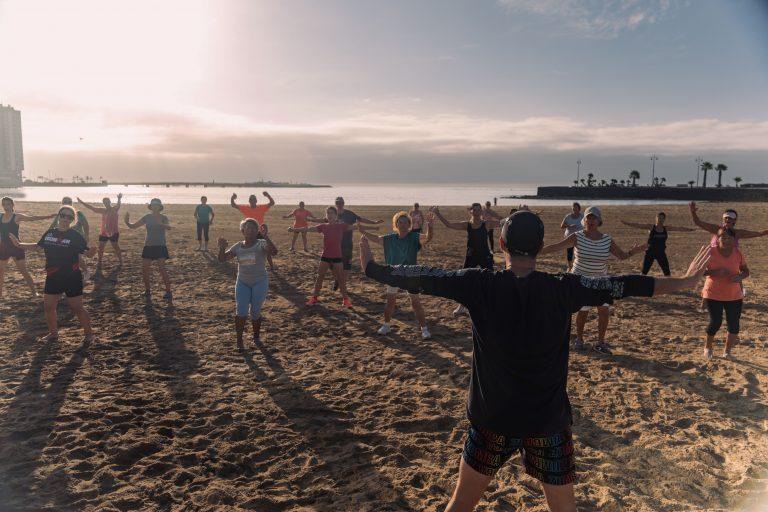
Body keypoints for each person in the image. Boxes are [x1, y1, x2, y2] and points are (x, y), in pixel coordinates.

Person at [359, 211, 709, 512]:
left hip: (492, 419)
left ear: (501, 246)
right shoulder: (564, 289)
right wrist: (686, 282)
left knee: (460, 505)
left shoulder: (478, 284)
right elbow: (624, 285)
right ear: (542, 248)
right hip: (548, 423)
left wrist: (373, 269)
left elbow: (425, 277)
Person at [540, 206, 646, 354]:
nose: (591, 220)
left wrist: (634, 251)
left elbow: (622, 256)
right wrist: (537, 251)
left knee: (604, 310)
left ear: (599, 221)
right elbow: (557, 246)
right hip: (580, 280)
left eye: (594, 218)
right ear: (584, 220)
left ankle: (601, 342)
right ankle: (579, 339)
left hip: (600, 281)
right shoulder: (577, 236)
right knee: (583, 311)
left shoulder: (607, 240)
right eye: (588, 217)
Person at [7, 205, 97, 342]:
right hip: (53, 276)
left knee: (77, 307)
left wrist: (92, 252)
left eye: (69, 217)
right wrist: (19, 244)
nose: (65, 219)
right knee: (48, 308)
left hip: (71, 277)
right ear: (58, 216)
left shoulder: (75, 236)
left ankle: (89, 334)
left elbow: (88, 253)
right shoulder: (50, 233)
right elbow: (37, 246)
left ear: (72, 220)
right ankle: (53, 334)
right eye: (63, 215)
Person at [359, 210, 434, 339]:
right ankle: (386, 325)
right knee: (390, 302)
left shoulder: (414, 237)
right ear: (396, 224)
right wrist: (363, 232)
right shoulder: (390, 238)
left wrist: (430, 227)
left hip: (411, 273)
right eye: (400, 222)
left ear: (409, 224)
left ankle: (424, 329)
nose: (403, 224)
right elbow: (376, 239)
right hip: (393, 273)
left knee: (415, 303)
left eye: (406, 222)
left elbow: (427, 237)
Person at [430, 203, 501, 316]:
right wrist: (437, 213)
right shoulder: (466, 225)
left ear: (481, 212)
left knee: (491, 280)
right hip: (471, 256)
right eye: (475, 209)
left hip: (485, 256)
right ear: (470, 211)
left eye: (479, 210)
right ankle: (461, 306)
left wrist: (517, 214)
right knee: (464, 280)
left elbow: (502, 222)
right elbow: (448, 225)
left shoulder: (486, 224)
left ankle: (493, 305)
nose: (477, 212)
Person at [217, 218, 278, 345]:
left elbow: (274, 252)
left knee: (255, 311)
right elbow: (222, 259)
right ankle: (239, 339)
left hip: (260, 282)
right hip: (243, 282)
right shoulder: (238, 246)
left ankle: (256, 336)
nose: (250, 230)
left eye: (253, 228)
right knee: (241, 311)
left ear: (257, 231)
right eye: (247, 228)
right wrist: (222, 248)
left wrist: (266, 237)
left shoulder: (261, 243)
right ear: (243, 231)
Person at [288, 206, 354, 308]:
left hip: (337, 257)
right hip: (325, 256)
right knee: (320, 277)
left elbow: (356, 227)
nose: (330, 215)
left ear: (336, 216)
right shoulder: (323, 226)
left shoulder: (341, 226)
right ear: (326, 216)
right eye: (328, 213)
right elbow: (308, 228)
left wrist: (374, 227)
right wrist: (293, 229)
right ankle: (314, 298)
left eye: (332, 213)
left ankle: (346, 300)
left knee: (341, 279)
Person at [702, 227, 749, 360]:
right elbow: (699, 271)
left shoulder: (737, 253)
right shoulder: (710, 252)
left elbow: (745, 270)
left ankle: (727, 352)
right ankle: (708, 347)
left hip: (733, 294)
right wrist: (715, 272)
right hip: (713, 293)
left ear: (734, 240)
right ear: (717, 239)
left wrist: (740, 277)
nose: (726, 240)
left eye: (729, 238)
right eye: (723, 237)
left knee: (734, 325)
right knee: (715, 321)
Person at [0, 197, 56, 298]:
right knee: (1, 271)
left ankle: (34, 292)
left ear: (13, 205)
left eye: (8, 204)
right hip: (3, 247)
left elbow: (32, 218)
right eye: (4, 204)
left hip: (16, 246)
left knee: (23, 271)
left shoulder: (17, 217)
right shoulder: (0, 216)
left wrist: (48, 216)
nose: (6, 206)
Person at [124, 198, 173, 300]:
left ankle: (168, 291)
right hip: (148, 246)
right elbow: (133, 226)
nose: (155, 207)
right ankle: (147, 291)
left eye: (157, 205)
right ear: (151, 207)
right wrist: (127, 221)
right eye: (153, 205)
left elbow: (169, 227)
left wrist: (161, 224)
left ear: (160, 207)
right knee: (145, 269)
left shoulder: (164, 217)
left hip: (160, 245)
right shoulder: (147, 217)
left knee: (162, 268)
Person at [333, 196, 383, 290]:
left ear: (343, 203)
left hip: (347, 242)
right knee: (335, 264)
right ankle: (337, 279)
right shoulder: (332, 214)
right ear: (335, 204)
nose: (339, 204)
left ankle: (342, 283)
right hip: (335, 243)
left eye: (341, 203)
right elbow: (324, 222)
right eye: (338, 203)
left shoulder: (349, 214)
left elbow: (360, 219)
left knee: (346, 265)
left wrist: (373, 222)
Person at [621, 212, 694, 276]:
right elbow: (638, 225)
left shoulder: (665, 228)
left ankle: (669, 286)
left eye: (662, 218)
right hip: (650, 253)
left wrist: (689, 230)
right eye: (659, 218)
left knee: (667, 272)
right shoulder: (651, 227)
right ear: (656, 218)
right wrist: (627, 223)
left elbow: (678, 228)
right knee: (644, 272)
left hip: (661, 253)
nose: (660, 220)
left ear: (664, 219)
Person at [689, 201, 768, 246]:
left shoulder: (738, 233)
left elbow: (759, 233)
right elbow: (698, 222)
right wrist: (693, 212)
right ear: (723, 219)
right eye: (726, 217)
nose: (727, 219)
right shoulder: (717, 229)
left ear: (734, 220)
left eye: (730, 218)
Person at [77, 193, 124, 268]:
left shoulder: (114, 209)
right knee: (101, 248)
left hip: (114, 232)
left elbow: (118, 205)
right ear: (103, 203)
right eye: (104, 202)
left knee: (116, 247)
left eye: (107, 202)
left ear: (110, 202)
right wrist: (82, 202)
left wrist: (119, 199)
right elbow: (92, 208)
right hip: (104, 233)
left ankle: (121, 261)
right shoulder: (103, 211)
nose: (106, 203)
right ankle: (99, 262)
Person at [51, 197, 91, 282]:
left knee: (77, 257)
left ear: (72, 203)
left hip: (78, 240)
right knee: (68, 258)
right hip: (65, 241)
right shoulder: (60, 214)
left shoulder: (78, 213)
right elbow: (53, 226)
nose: (67, 203)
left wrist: (87, 236)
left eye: (69, 202)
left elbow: (85, 225)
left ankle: (86, 270)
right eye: (65, 202)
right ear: (62, 203)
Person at [232, 191, 275, 268]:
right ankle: (251, 265)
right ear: (249, 201)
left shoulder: (261, 207)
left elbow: (272, 203)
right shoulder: (245, 207)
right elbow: (233, 205)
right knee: (250, 249)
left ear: (256, 201)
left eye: (254, 200)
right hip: (249, 232)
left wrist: (268, 195)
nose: (252, 201)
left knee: (266, 248)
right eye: (251, 200)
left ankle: (271, 266)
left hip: (260, 231)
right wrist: (232, 198)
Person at [560, 202, 583, 270]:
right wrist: (569, 226)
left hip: (580, 237)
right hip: (569, 237)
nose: (574, 208)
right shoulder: (568, 216)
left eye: (576, 207)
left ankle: (578, 266)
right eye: (573, 207)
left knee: (579, 252)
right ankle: (570, 267)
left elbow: (587, 224)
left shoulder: (582, 216)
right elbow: (562, 226)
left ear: (579, 208)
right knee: (570, 252)